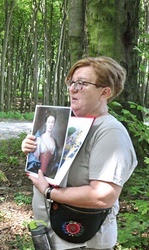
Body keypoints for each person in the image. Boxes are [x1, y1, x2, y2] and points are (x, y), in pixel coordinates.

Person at [22, 56, 137, 249]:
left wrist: (48, 192)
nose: (73, 88)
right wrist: (33, 149)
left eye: (82, 84)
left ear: (105, 92)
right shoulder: (72, 125)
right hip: (53, 234)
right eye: (72, 82)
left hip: (84, 242)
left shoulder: (110, 132)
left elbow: (103, 195)